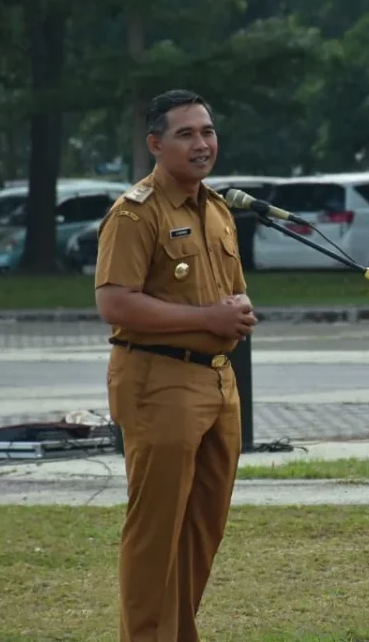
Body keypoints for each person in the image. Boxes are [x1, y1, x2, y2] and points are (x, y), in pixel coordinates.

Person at [95, 89, 257, 642]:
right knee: (155, 530)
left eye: (208, 131)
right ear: (155, 144)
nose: (202, 143)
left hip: (217, 380)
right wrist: (211, 316)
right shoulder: (135, 212)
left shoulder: (216, 208)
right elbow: (115, 302)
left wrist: (234, 314)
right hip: (158, 380)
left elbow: (228, 297)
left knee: (201, 529)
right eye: (186, 134)